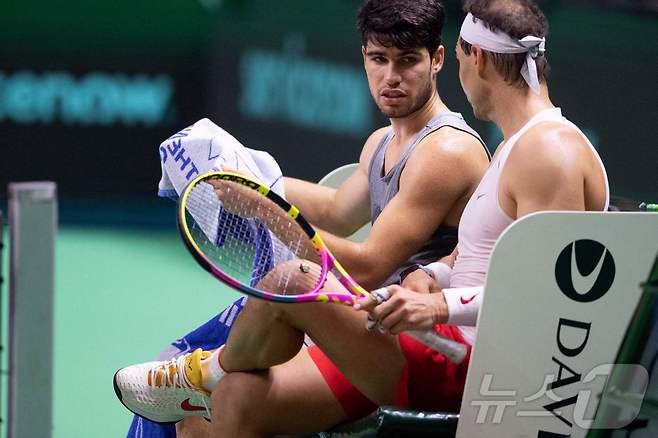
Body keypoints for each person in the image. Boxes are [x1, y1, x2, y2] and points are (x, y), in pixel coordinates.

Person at [117, 0, 490, 436]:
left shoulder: (445, 151)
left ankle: (202, 373)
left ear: (437, 59)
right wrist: (246, 176)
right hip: (366, 322)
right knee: (203, 417)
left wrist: (262, 208)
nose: (391, 76)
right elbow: (335, 210)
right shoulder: (382, 140)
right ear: (364, 58)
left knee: (291, 282)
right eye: (379, 59)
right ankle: (206, 378)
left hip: (413, 339)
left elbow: (369, 264)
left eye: (408, 61)